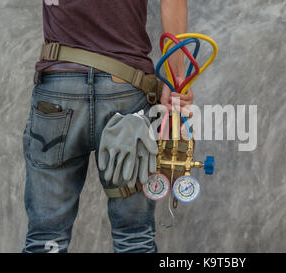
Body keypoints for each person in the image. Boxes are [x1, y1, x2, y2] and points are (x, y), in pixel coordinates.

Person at [22, 0, 193, 253]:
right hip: (126, 89)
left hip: (59, 90)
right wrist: (176, 78)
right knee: (134, 239)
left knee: (47, 239)